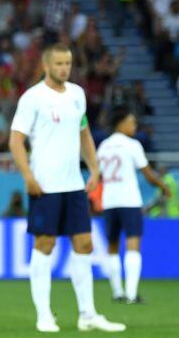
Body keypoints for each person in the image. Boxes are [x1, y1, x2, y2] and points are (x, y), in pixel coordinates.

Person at [9, 44, 126, 333]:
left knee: (84, 244)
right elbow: (15, 140)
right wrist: (27, 176)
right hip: (45, 185)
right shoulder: (33, 98)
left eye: (68, 63)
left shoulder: (77, 95)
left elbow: (83, 133)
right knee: (45, 244)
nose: (64, 68)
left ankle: (87, 314)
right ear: (46, 66)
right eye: (59, 63)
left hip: (74, 184)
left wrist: (95, 167)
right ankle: (44, 315)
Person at [97, 107, 169, 304]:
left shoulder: (103, 146)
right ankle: (131, 293)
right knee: (133, 245)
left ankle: (117, 292)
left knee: (112, 247)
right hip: (128, 201)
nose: (134, 126)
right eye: (131, 122)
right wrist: (164, 186)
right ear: (121, 123)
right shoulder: (132, 145)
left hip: (109, 201)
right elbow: (147, 174)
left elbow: (100, 173)